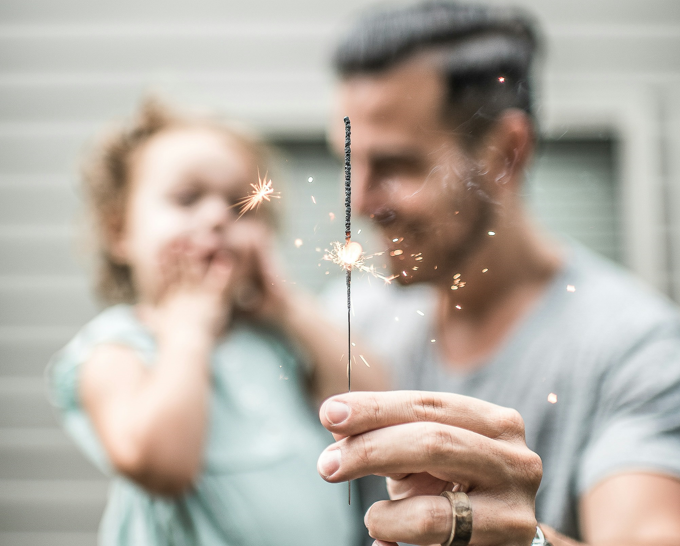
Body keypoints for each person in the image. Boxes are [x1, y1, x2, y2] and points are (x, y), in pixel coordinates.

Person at [317, 2, 680, 545]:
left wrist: (527, 541)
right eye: (350, 163)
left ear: (506, 153)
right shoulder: (356, 317)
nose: (361, 200)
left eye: (396, 165)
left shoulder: (637, 349)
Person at [46, 99, 384, 545]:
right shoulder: (117, 348)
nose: (216, 218)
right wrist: (188, 328)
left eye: (241, 206)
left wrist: (288, 307)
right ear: (119, 232)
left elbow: (377, 404)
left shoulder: (273, 339)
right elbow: (163, 466)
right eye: (188, 199)